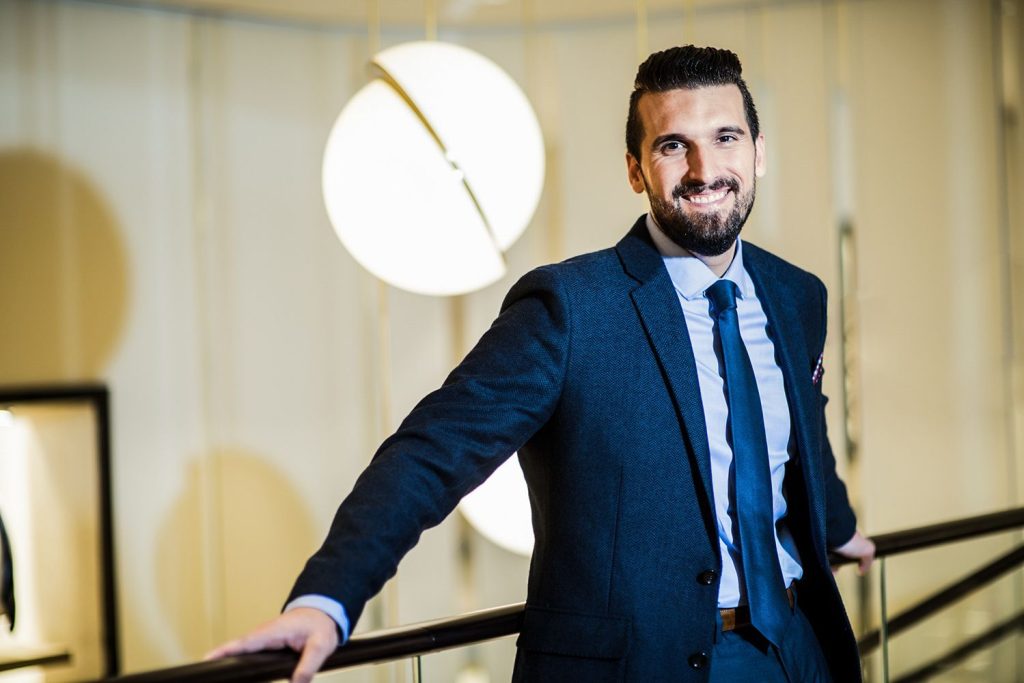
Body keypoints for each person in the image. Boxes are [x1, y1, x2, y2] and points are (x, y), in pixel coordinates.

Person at [208, 45, 875, 682]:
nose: (704, 169)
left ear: (759, 153)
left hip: (799, 647)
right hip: (646, 666)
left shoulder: (797, 296)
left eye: (726, 137)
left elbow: (801, 435)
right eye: (673, 145)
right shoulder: (570, 306)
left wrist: (838, 527)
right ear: (636, 170)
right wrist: (326, 598)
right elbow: (433, 452)